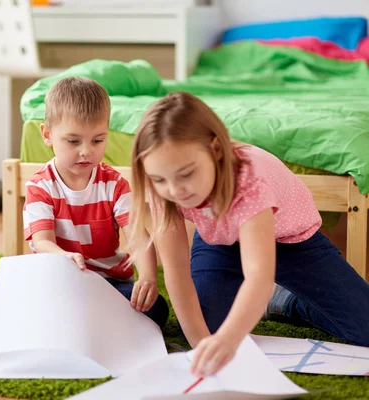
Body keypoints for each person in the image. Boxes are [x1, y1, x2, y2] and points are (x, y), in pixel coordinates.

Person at [129, 91, 369, 377]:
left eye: (187, 174)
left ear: (216, 150)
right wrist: (203, 347)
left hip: (292, 244)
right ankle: (260, 302)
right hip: (221, 243)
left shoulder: (249, 180)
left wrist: (229, 340)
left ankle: (285, 301)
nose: (175, 190)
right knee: (204, 327)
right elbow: (176, 269)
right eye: (159, 180)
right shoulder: (162, 189)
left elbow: (259, 275)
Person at [23, 77, 169, 328]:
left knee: (156, 309)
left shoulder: (114, 184)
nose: (86, 151)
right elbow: (42, 241)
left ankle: (88, 320)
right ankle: (89, 320)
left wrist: (147, 278)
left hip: (110, 284)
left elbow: (138, 237)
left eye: (97, 140)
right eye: (73, 141)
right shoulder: (39, 186)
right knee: (34, 304)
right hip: (61, 282)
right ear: (47, 135)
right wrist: (64, 257)